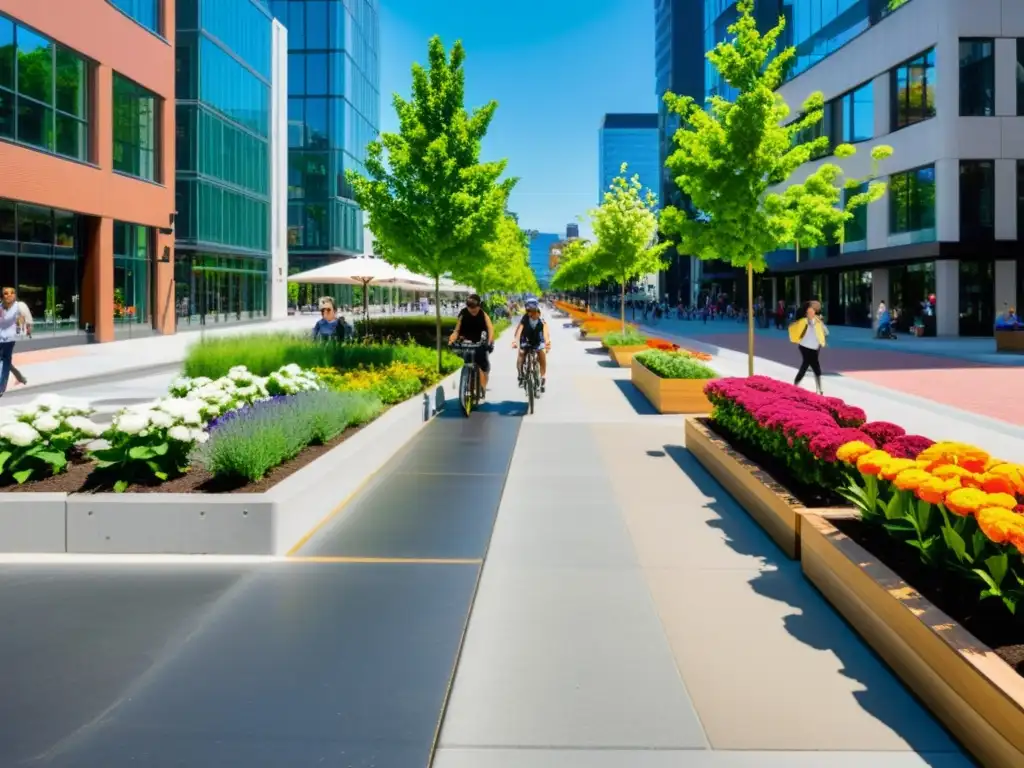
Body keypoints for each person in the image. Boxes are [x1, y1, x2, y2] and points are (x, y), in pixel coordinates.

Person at [448, 293, 495, 396]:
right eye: (470, 309)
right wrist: (451, 340)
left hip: (481, 340)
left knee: (483, 365)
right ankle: (468, 381)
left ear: (479, 306)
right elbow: (457, 330)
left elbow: (490, 328)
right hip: (467, 340)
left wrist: (490, 342)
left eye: (475, 309)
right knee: (468, 359)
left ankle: (482, 387)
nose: (473, 311)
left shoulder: (483, 314)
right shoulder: (463, 314)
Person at [788, 300, 828, 395]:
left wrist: (821, 342)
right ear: (806, 313)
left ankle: (796, 386)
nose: (810, 313)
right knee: (810, 365)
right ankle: (817, 389)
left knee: (811, 366)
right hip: (804, 347)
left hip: (815, 348)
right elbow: (793, 328)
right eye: (809, 311)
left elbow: (825, 332)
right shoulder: (803, 321)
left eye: (812, 311)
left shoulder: (818, 321)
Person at [512, 298, 551, 393]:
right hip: (526, 339)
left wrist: (547, 342)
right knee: (521, 353)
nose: (529, 312)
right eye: (527, 310)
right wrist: (515, 341)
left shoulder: (541, 319)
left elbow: (545, 331)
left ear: (536, 309)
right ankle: (521, 374)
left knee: (542, 354)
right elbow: (519, 331)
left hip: (538, 340)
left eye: (531, 310)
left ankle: (542, 377)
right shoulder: (525, 318)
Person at [0, 287, 25, 395]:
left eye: (12, 293)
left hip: (9, 339)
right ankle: (19, 377)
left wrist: (20, 330)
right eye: (6, 293)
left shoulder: (18, 307)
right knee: (5, 361)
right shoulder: (0, 307)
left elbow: (22, 322)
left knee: (5, 362)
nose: (9, 295)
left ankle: (1, 387)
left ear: (15, 295)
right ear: (2, 297)